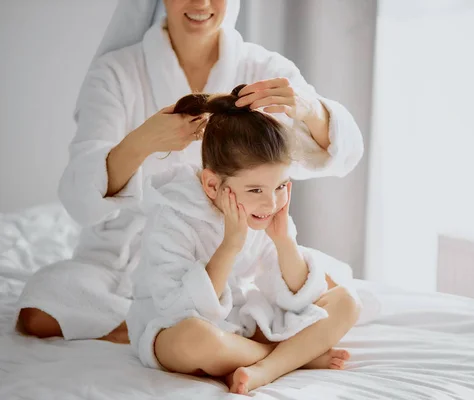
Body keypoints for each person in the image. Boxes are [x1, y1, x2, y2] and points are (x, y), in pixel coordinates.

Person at [15, 0, 363, 343]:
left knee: (333, 291)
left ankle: (184, 330)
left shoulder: (262, 68)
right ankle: (163, 329)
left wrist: (310, 110)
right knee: (41, 308)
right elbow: (78, 198)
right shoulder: (116, 72)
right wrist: (143, 141)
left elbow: (347, 153)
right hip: (129, 254)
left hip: (236, 249)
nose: (201, 3)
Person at [127, 86, 360, 394]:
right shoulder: (172, 215)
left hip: (239, 328)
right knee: (196, 338)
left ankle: (265, 367)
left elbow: (296, 294)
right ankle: (293, 358)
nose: (271, 203)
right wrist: (231, 245)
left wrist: (283, 242)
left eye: (280, 186)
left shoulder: (264, 210)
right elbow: (177, 309)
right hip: (172, 328)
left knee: (345, 302)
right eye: (255, 190)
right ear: (212, 184)